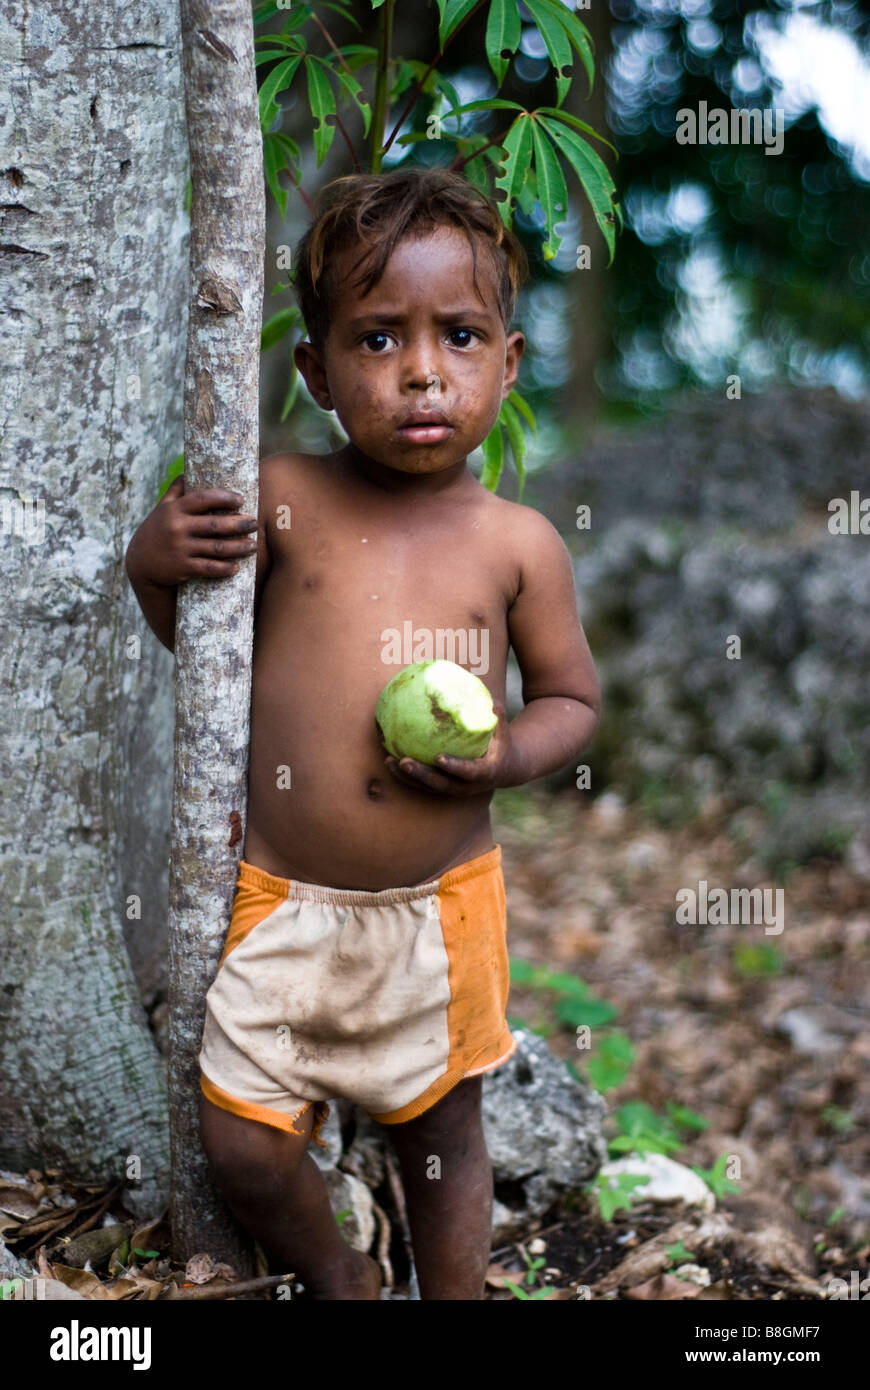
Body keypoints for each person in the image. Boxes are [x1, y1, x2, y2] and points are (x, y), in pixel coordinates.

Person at [125, 166, 601, 1300]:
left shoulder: (518, 543)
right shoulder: (281, 498)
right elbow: (201, 652)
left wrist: (504, 757)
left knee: (445, 1143)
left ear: (511, 362)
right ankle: (339, 1278)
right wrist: (154, 562)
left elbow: (573, 704)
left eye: (462, 336)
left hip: (441, 909)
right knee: (241, 1142)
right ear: (317, 369)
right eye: (379, 339)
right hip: (281, 903)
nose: (424, 371)